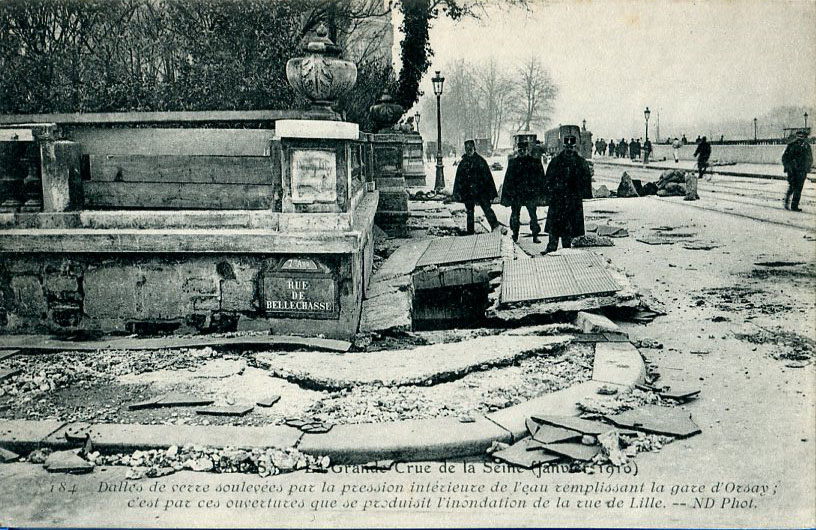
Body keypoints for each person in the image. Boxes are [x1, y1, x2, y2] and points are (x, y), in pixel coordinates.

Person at [541, 133, 593, 253]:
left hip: (572, 200)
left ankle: (566, 249)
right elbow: (548, 179)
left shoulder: (580, 162)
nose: (569, 149)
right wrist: (550, 191)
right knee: (554, 225)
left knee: (569, 226)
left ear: (575, 147)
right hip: (557, 199)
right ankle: (551, 247)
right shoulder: (555, 162)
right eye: (567, 147)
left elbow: (586, 180)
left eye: (571, 147)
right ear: (563, 147)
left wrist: (581, 193)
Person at [500, 141, 546, 242]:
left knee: (533, 215)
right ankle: (515, 234)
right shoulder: (513, 163)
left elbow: (541, 178)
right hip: (517, 194)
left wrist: (541, 192)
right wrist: (507, 195)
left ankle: (535, 235)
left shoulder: (534, 162)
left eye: (524, 150)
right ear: (517, 150)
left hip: (530, 194)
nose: (522, 152)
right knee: (515, 215)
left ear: (527, 150)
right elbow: (508, 180)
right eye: (520, 150)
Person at [452, 139, 501, 234]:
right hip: (468, 192)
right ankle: (470, 232)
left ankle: (495, 226)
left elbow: (488, 178)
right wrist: (456, 192)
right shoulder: (463, 163)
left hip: (481, 191)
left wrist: (491, 193)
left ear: (474, 149)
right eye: (467, 149)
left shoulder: (481, 161)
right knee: (470, 212)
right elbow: (458, 180)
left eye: (470, 149)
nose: (469, 151)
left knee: (487, 208)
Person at [782, 130, 813, 211]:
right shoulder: (791, 145)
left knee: (798, 188)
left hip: (801, 171)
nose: (801, 138)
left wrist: (807, 168)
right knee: (792, 186)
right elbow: (785, 158)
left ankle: (794, 206)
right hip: (792, 171)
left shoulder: (806, 146)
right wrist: (788, 168)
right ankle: (786, 201)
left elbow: (810, 158)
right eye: (799, 136)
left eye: (803, 136)